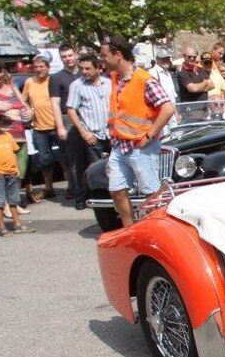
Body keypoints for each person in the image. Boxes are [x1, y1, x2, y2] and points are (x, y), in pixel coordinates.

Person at [101, 37, 175, 227]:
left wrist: (150, 134)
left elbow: (167, 108)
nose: (103, 60)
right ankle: (130, 230)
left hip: (141, 146)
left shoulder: (144, 80)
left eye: (105, 56)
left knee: (151, 193)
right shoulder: (116, 79)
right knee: (116, 191)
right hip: (120, 145)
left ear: (118, 55)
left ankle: (157, 228)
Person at [0, 57, 34, 207]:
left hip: (20, 136)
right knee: (3, 173)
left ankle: (14, 204)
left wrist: (30, 112)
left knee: (19, 171)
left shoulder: (11, 87)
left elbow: (24, 105)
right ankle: (5, 206)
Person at [66, 53, 112, 210]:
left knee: (115, 167)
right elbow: (71, 110)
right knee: (96, 170)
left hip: (111, 133)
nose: (84, 72)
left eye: (88, 68)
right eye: (82, 69)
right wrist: (83, 132)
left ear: (98, 68)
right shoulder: (77, 86)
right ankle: (99, 203)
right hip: (93, 135)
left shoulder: (108, 83)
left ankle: (116, 197)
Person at [0, 108, 36, 235]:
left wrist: (16, 168)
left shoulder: (7, 135)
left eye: (0, 118)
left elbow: (14, 152)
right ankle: (1, 227)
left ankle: (17, 224)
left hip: (11, 172)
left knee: (14, 200)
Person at [22, 55, 62, 198]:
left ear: (48, 67)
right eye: (36, 67)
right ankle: (49, 188)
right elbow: (23, 100)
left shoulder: (54, 80)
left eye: (41, 67)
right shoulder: (29, 82)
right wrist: (28, 110)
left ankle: (72, 187)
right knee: (45, 161)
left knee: (65, 158)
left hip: (57, 126)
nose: (38, 70)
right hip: (39, 128)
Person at [48, 44, 81, 197]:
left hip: (86, 116)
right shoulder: (56, 78)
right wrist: (60, 126)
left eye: (69, 55)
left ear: (76, 55)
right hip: (67, 119)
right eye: (64, 57)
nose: (67, 59)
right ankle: (76, 190)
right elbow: (54, 103)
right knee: (72, 158)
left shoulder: (85, 72)